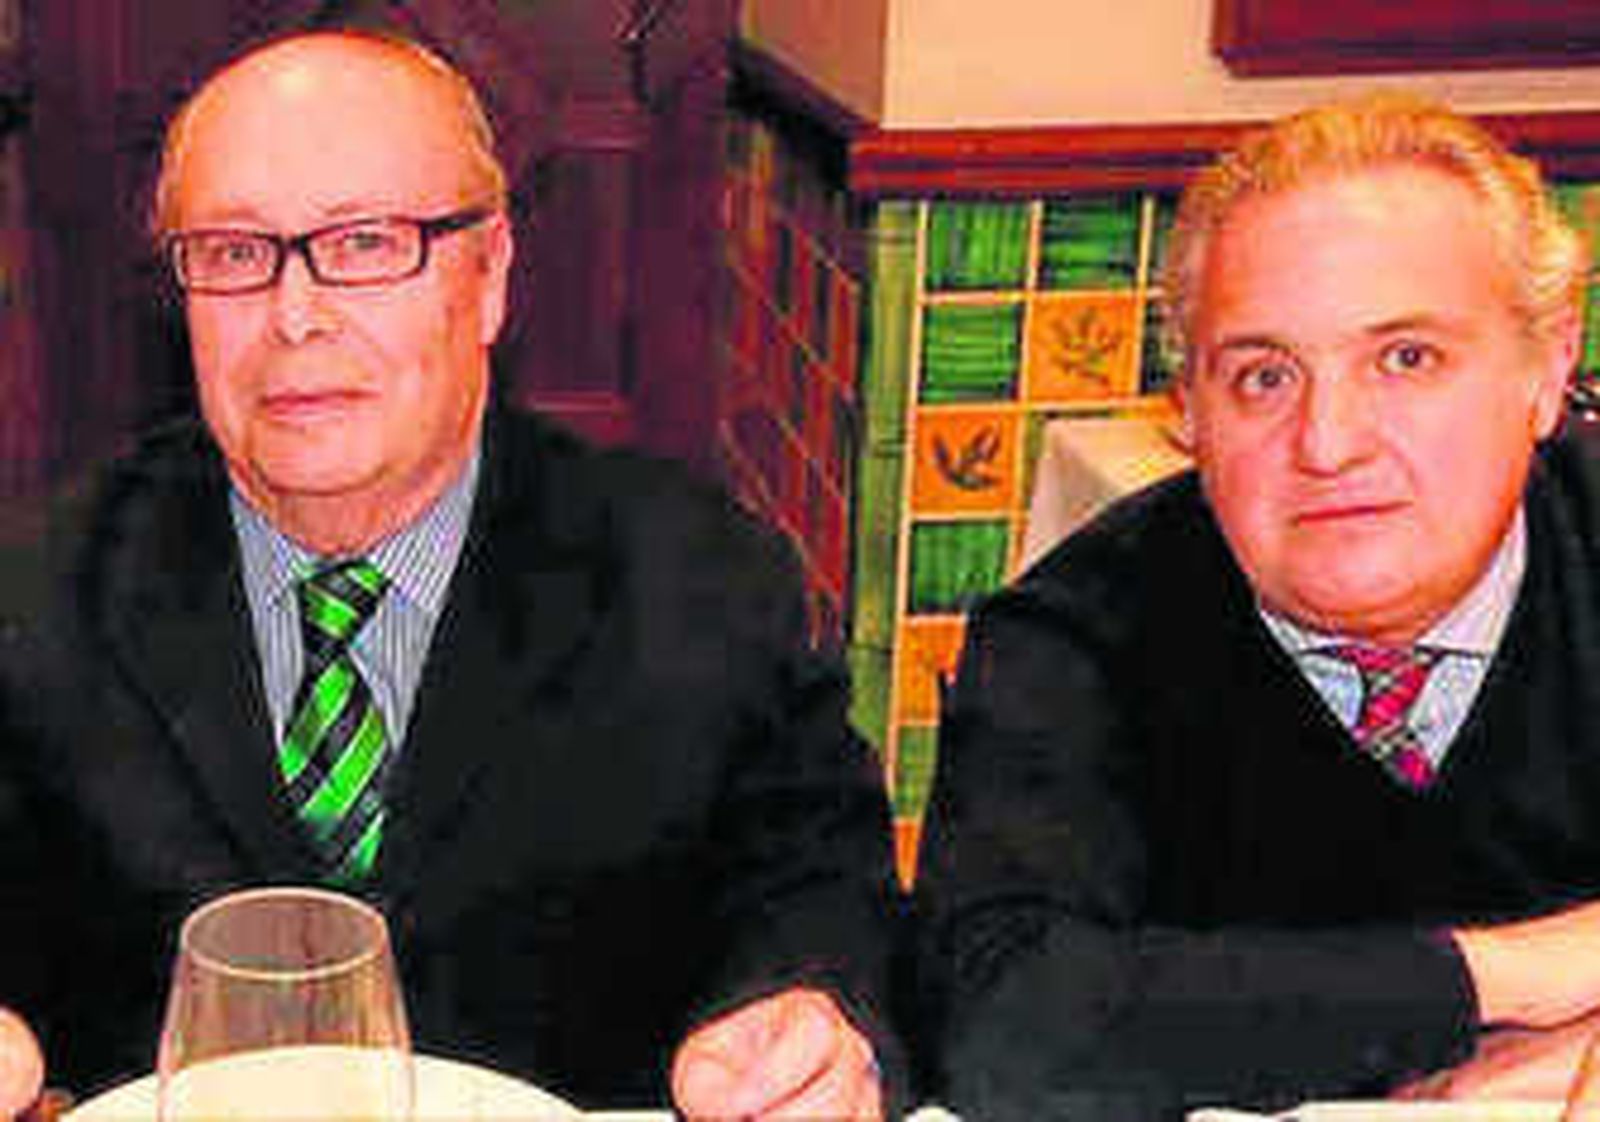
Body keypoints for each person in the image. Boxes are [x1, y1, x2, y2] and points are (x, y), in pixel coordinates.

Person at [0, 29, 897, 1122]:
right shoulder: (38, 594)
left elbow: (820, 903)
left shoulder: (701, 583)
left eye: (367, 243)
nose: (295, 316)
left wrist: (808, 1024)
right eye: (233, 254)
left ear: (490, 276)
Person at [914, 93, 1600, 1120]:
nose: (1328, 443)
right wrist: (1509, 979)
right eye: (1263, 376)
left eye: (1406, 359)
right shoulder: (1077, 635)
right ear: (1186, 412)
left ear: (1546, 372)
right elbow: (1002, 1021)